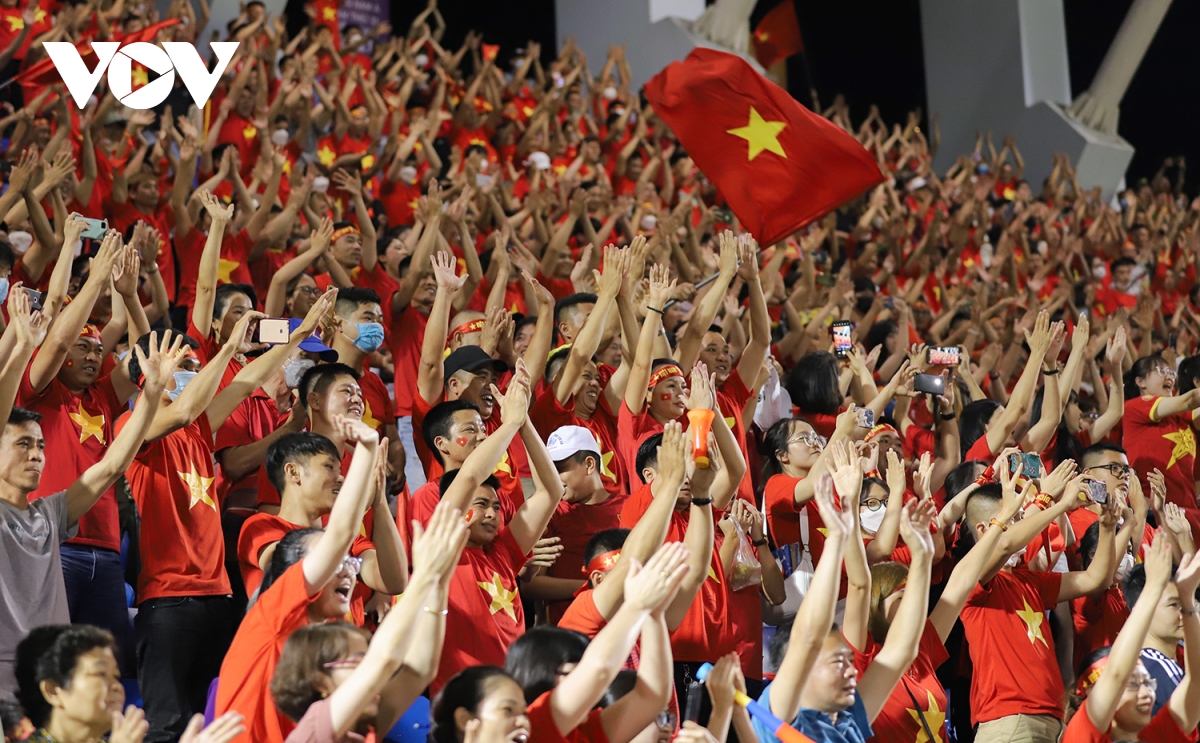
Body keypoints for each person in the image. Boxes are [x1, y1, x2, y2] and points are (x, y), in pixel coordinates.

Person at [0, 328, 182, 694]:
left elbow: (112, 466)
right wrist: (23, 345)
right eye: (23, 444)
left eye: (41, 445)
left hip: (50, 686)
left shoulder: (50, 515)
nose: (36, 455)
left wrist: (149, 395)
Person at [215, 416, 380, 743]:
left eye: (348, 561)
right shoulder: (270, 618)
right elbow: (340, 534)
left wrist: (430, 579)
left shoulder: (336, 640)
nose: (347, 569)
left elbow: (403, 662)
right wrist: (366, 450)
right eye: (332, 560)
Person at [271, 500, 468, 743]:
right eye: (358, 661)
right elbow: (384, 660)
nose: (347, 571)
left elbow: (420, 669)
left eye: (349, 561)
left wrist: (438, 583)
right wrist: (424, 577)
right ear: (320, 681)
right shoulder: (311, 732)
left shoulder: (363, 727)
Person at [1063, 537, 1200, 742]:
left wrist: (1188, 599)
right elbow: (1116, 674)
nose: (1146, 693)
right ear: (1092, 691)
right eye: (1133, 684)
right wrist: (1153, 587)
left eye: (1147, 682)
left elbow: (1196, 680)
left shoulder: (1153, 736)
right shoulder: (1082, 736)